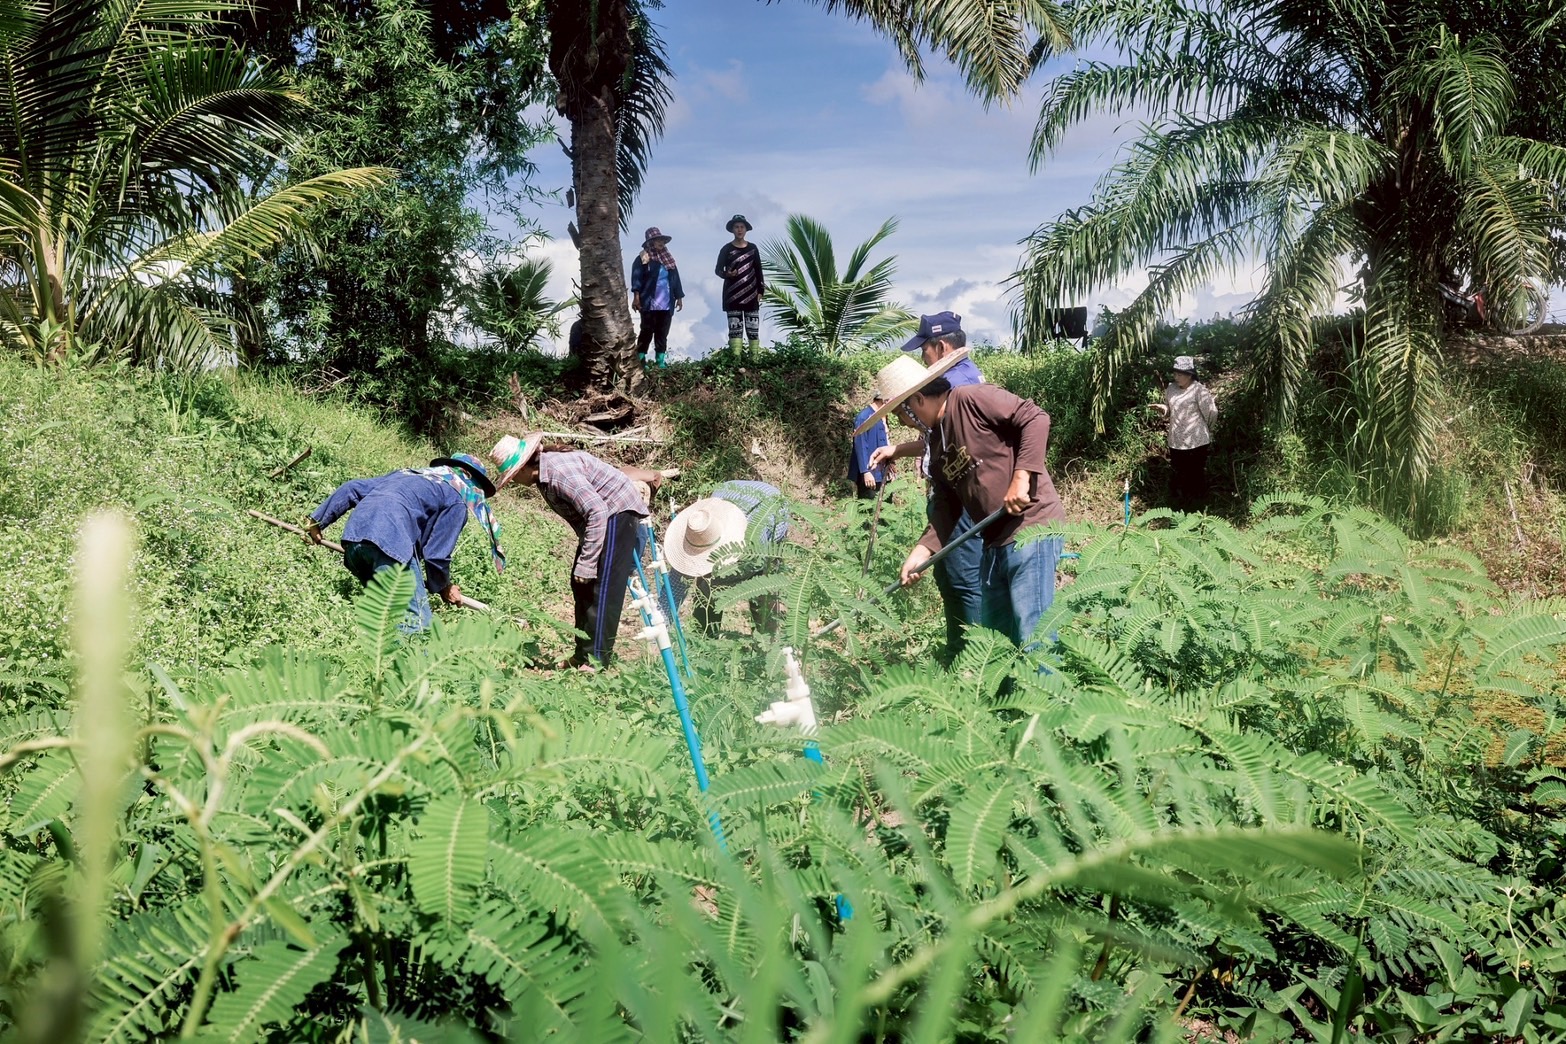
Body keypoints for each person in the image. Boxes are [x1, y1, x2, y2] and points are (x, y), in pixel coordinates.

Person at [858, 350, 1067, 651]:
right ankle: (1007, 698)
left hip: (1030, 526)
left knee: (1035, 637)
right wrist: (922, 550)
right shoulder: (936, 440)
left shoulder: (971, 399)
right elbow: (947, 504)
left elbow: (1034, 417)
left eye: (900, 413)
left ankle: (1047, 696)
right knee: (997, 645)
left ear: (917, 400)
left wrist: (1022, 477)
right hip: (994, 538)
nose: (903, 422)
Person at [865, 311, 986, 660]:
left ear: (942, 346)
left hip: (961, 499)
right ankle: (957, 651)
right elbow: (936, 438)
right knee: (951, 579)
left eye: (925, 351)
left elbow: (956, 445)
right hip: (950, 496)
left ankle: (974, 659)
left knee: (964, 580)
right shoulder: (953, 384)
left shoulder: (958, 388)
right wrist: (897, 449)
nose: (923, 359)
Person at [490, 434, 648, 668]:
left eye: (513, 476)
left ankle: (595, 661)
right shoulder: (545, 476)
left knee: (601, 589)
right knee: (581, 584)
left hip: (617, 511)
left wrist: (587, 562)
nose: (513, 481)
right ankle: (582, 654)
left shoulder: (558, 473)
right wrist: (585, 559)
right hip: (601, 518)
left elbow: (596, 510)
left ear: (524, 468)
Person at [304, 453, 504, 634]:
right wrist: (443, 586)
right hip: (390, 546)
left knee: (384, 617)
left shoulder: (406, 474)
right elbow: (436, 555)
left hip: (354, 543)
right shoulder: (456, 499)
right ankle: (411, 673)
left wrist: (317, 521)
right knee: (416, 627)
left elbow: (352, 488)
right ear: (473, 485)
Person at [664, 481, 789, 636]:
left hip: (771, 506)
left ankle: (767, 641)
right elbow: (673, 587)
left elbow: (761, 567)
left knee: (763, 586)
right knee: (707, 587)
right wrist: (661, 628)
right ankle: (703, 640)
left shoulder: (760, 533)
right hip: (729, 491)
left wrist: (718, 582)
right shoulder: (699, 529)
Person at [1152, 354, 1218, 510]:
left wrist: (1207, 429)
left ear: (1190, 374)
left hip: (1197, 440)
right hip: (1176, 440)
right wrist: (1164, 409)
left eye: (1180, 374)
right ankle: (1179, 509)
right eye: (1175, 373)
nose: (1176, 377)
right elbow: (1171, 409)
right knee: (1179, 474)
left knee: (1195, 475)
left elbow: (1211, 413)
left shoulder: (1198, 390)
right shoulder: (1171, 389)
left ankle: (1199, 508)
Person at [630, 227, 683, 368]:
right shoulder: (643, 258)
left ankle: (660, 361)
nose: (660, 243)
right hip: (649, 302)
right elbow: (636, 279)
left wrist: (679, 297)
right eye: (657, 240)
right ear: (650, 242)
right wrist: (636, 297)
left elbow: (675, 278)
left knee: (662, 332)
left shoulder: (668, 259)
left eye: (662, 240)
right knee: (646, 331)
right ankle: (641, 359)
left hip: (666, 302)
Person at [715, 214, 764, 356]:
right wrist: (727, 274)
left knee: (753, 329)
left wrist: (761, 290)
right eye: (736, 227)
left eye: (742, 227)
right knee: (735, 329)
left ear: (746, 229)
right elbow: (718, 270)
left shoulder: (753, 248)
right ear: (732, 230)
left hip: (751, 294)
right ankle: (736, 359)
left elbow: (759, 270)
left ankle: (754, 358)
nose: (739, 230)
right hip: (732, 295)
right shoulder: (726, 249)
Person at [850, 393, 891, 500]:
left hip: (883, 472)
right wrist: (866, 471)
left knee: (886, 510)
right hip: (870, 474)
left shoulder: (882, 416)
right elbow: (860, 445)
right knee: (868, 509)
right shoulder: (864, 417)